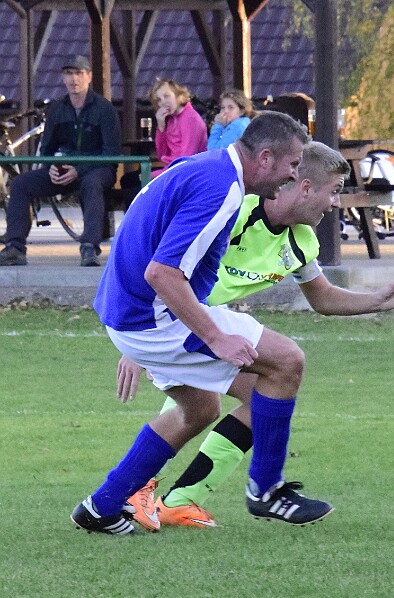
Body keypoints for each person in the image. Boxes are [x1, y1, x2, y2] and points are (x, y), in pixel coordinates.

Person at [118, 142, 394, 530]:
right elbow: (160, 260)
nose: (335, 204)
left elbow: (324, 298)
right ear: (305, 186)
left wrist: (380, 300)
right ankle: (141, 490)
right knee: (226, 395)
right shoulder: (237, 210)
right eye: (333, 191)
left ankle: (178, 499)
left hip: (203, 325)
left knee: (258, 396)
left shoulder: (301, 240)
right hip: (170, 321)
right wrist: (140, 339)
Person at [70, 111, 314, 536]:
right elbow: (162, 273)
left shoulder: (205, 166)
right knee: (286, 361)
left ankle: (102, 506)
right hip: (151, 316)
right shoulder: (222, 188)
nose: (292, 177)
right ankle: (268, 490)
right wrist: (216, 336)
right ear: (266, 157)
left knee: (200, 408)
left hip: (129, 315)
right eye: (292, 166)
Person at [0, 55, 122, 267]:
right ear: (63, 78)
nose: (74, 79)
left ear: (89, 77)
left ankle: (89, 247)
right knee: (21, 184)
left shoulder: (104, 109)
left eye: (79, 73)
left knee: (92, 184)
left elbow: (111, 154)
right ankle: (15, 247)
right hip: (64, 170)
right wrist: (52, 169)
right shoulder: (57, 108)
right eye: (69, 74)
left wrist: (79, 169)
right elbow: (47, 148)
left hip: (98, 170)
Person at [150, 78, 208, 176]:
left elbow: (186, 159)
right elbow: (162, 155)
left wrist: (157, 175)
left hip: (187, 174)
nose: (163, 102)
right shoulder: (171, 119)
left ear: (179, 96)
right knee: (128, 180)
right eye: (159, 100)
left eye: (166, 96)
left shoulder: (190, 118)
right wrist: (161, 126)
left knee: (135, 182)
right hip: (172, 169)